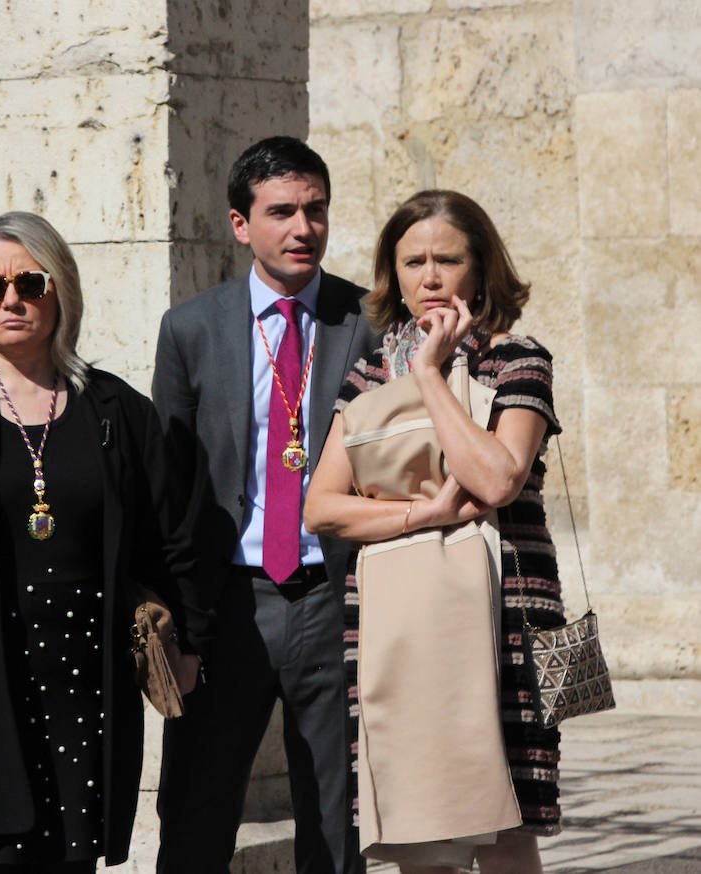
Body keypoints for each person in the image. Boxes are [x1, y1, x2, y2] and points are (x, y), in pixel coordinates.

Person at [0, 211, 210, 873]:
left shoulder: (115, 410)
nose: (11, 300)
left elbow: (169, 536)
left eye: (30, 283)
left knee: (69, 858)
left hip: (85, 681)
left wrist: (188, 642)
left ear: (61, 290)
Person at [304, 190, 564, 874]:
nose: (430, 276)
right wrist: (424, 515)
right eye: (413, 260)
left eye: (447, 259)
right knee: (420, 829)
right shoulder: (365, 377)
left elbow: (499, 479)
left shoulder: (519, 361)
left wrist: (428, 376)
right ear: (393, 272)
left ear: (480, 269)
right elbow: (323, 508)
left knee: (506, 830)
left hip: (503, 616)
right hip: (401, 623)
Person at [152, 136, 377, 874]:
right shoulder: (191, 329)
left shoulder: (369, 322)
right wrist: (180, 618)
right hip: (227, 606)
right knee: (195, 815)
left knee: (337, 823)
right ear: (240, 224)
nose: (302, 228)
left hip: (335, 598)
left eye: (315, 210)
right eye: (281, 211)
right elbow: (174, 485)